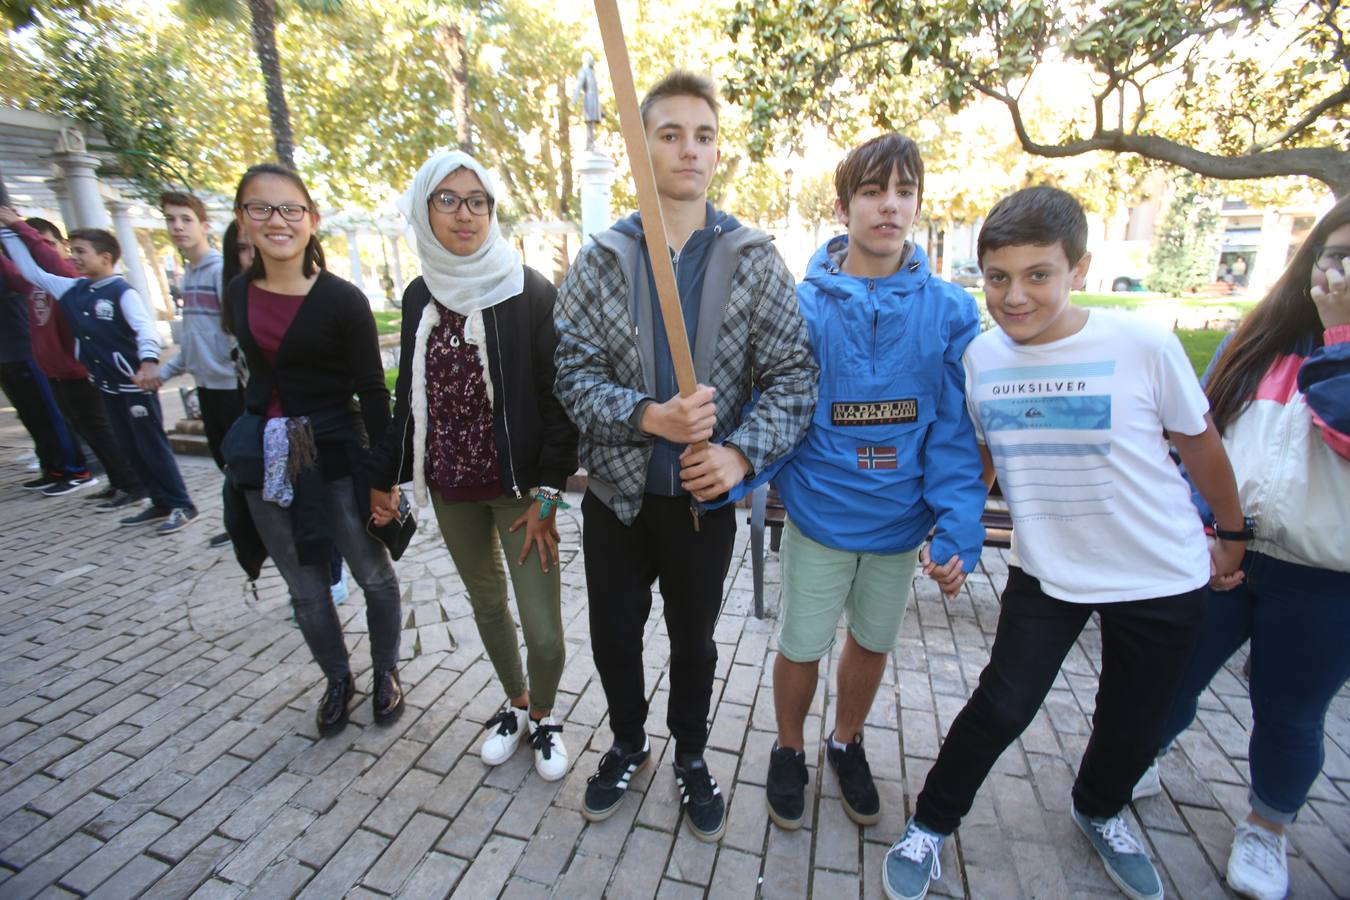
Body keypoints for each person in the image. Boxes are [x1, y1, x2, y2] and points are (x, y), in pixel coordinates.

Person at [882, 187, 1248, 900]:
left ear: (1078, 268)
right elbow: (982, 458)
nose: (1014, 296)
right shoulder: (983, 359)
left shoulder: (1141, 344)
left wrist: (1230, 533)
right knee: (1001, 707)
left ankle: (1101, 808)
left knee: (1132, 720)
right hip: (1047, 571)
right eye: (997, 277)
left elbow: (1200, 447)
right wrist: (955, 532)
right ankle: (930, 824)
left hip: (1160, 577)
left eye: (1037, 275)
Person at [554, 70, 818, 842]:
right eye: (669, 134)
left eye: (703, 135)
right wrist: (647, 416)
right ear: (642, 147)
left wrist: (739, 458)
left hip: (703, 506)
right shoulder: (604, 257)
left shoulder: (752, 258)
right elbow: (570, 373)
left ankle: (693, 755)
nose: (689, 149)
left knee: (695, 641)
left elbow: (795, 380)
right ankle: (630, 743)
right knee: (613, 634)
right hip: (618, 498)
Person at [764, 134, 986, 831]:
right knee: (801, 643)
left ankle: (845, 741)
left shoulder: (950, 312)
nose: (889, 206)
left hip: (899, 527)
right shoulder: (801, 306)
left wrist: (957, 529)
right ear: (844, 205)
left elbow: (952, 434)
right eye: (872, 191)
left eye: (904, 191)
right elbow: (773, 409)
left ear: (918, 203)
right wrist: (727, 478)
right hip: (820, 521)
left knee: (872, 641)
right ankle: (789, 747)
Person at [1134, 196, 1350, 900]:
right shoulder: (1258, 342)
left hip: (1324, 574)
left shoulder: (1333, 349)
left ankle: (1266, 826)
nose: (1339, 273)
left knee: (1288, 711)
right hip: (1227, 552)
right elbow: (1196, 439)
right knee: (1170, 676)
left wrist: (1340, 333)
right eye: (1333, 255)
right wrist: (1204, 527)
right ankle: (1144, 755)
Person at [368, 150, 579, 781]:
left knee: (543, 629)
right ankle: (515, 707)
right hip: (453, 488)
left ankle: (546, 716)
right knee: (487, 607)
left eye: (478, 200)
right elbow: (407, 393)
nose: (465, 214)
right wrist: (387, 476)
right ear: (424, 208)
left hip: (520, 492)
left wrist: (549, 494)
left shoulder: (528, 289)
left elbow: (559, 396)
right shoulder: (417, 295)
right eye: (448, 200)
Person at [220, 163, 403, 733]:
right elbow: (251, 379)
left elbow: (374, 393)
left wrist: (385, 478)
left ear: (311, 220)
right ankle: (338, 679)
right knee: (305, 588)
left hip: (339, 455)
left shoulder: (342, 300)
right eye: (261, 209)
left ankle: (387, 673)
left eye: (290, 209)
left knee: (373, 576)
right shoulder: (237, 296)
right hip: (265, 464)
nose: (278, 220)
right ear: (242, 221)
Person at [0, 211, 199, 534]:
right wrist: (9, 233)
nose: (74, 258)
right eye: (73, 251)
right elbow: (30, 272)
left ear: (105, 257)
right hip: (106, 386)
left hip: (134, 385)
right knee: (129, 446)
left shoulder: (123, 293)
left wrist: (149, 361)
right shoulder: (73, 289)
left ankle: (181, 503)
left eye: (81, 252)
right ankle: (159, 501)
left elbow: (144, 330)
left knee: (152, 446)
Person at [0, 216, 142, 505]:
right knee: (88, 431)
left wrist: (20, 229)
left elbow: (49, 260)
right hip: (56, 371)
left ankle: (133, 484)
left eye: (49, 245)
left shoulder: (68, 279)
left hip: (80, 371)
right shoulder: (38, 283)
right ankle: (118, 482)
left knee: (103, 430)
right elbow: (17, 272)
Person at [158, 191, 244, 547]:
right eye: (171, 220)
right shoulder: (189, 275)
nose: (177, 227)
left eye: (185, 219)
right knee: (225, 460)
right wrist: (164, 373)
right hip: (206, 384)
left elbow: (238, 334)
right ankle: (245, 524)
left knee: (241, 459)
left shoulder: (218, 272)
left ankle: (252, 526)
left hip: (231, 385)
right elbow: (195, 337)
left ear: (204, 226)